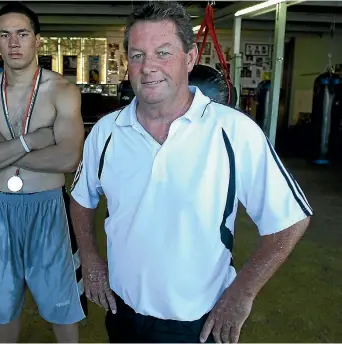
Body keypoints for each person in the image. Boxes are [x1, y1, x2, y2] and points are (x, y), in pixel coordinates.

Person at [69, 1, 312, 343]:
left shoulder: (234, 132)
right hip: (122, 314)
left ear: (191, 57)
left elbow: (290, 220)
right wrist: (91, 261)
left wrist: (242, 293)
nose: (148, 67)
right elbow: (81, 199)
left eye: (163, 52)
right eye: (137, 55)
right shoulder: (106, 132)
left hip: (197, 323)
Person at [0, 3, 86, 343]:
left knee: (63, 306)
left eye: (22, 34)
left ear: (37, 41)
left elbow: (69, 158)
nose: (13, 43)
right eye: (5, 34)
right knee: (4, 304)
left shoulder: (62, 91)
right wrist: (31, 142)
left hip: (49, 209)